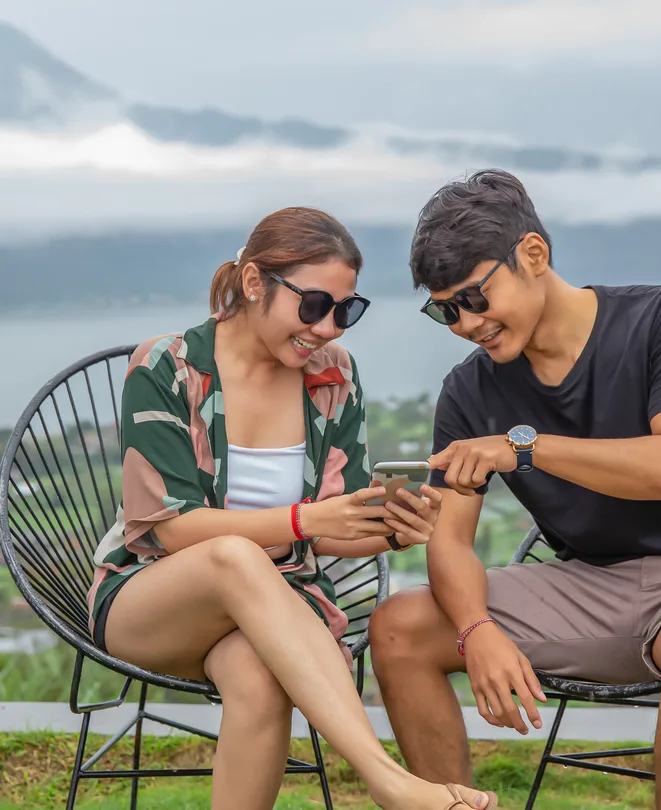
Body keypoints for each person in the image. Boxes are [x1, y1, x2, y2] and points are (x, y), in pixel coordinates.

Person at [368, 170, 661, 810]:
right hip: (592, 585)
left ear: (534, 255)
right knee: (398, 626)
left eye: (475, 298)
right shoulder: (470, 390)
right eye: (445, 310)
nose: (464, 324)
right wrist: (475, 628)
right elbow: (451, 542)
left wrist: (522, 447)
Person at [86, 207, 498, 810]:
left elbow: (336, 530)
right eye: (313, 306)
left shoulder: (334, 376)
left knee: (258, 679)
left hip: (280, 606)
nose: (329, 328)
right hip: (150, 599)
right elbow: (172, 530)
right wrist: (304, 521)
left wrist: (391, 530)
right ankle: (387, 781)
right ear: (255, 283)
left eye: (345, 311)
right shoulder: (169, 368)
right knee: (231, 556)